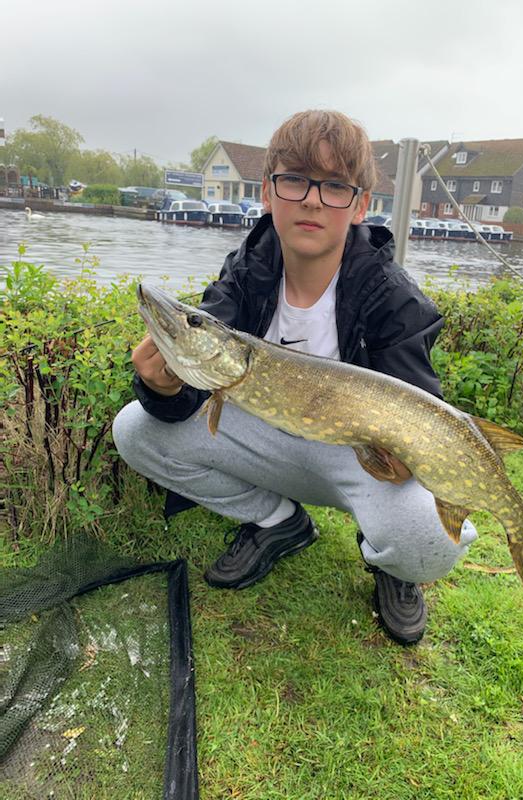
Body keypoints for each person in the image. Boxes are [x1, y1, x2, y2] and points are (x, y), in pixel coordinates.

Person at [112, 110, 477, 646]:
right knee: (135, 428)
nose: (311, 199)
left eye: (333, 186)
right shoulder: (246, 272)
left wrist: (405, 460)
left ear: (359, 205)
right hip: (267, 437)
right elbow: (195, 392)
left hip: (355, 460)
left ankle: (394, 566)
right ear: (268, 193)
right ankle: (278, 521)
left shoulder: (393, 298)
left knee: (431, 540)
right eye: (295, 181)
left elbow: (421, 414)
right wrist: (163, 386)